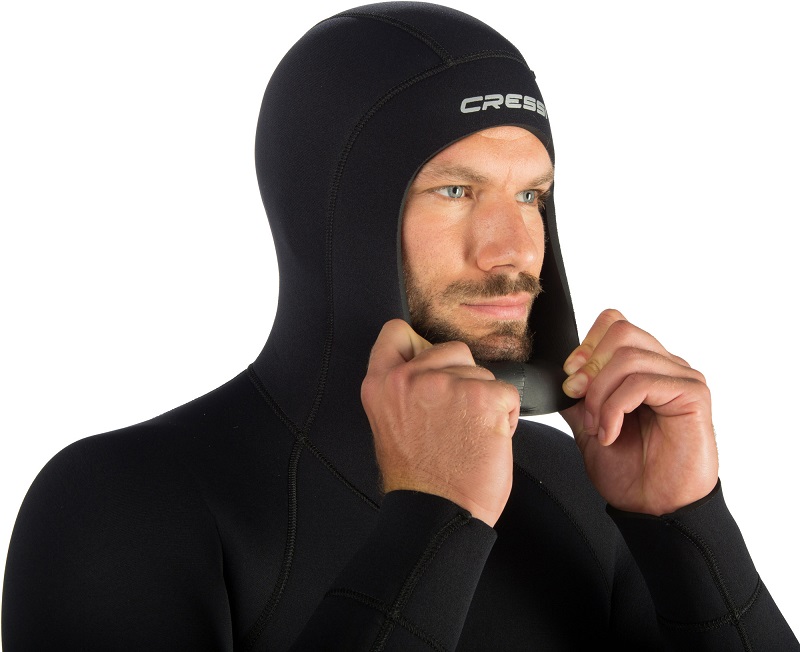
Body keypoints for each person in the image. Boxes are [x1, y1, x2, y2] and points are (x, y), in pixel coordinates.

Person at [2, 2, 798, 650]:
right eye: (456, 191)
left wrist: (687, 530)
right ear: (339, 215)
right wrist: (434, 523)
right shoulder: (119, 509)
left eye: (530, 196)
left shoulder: (577, 490)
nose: (515, 250)